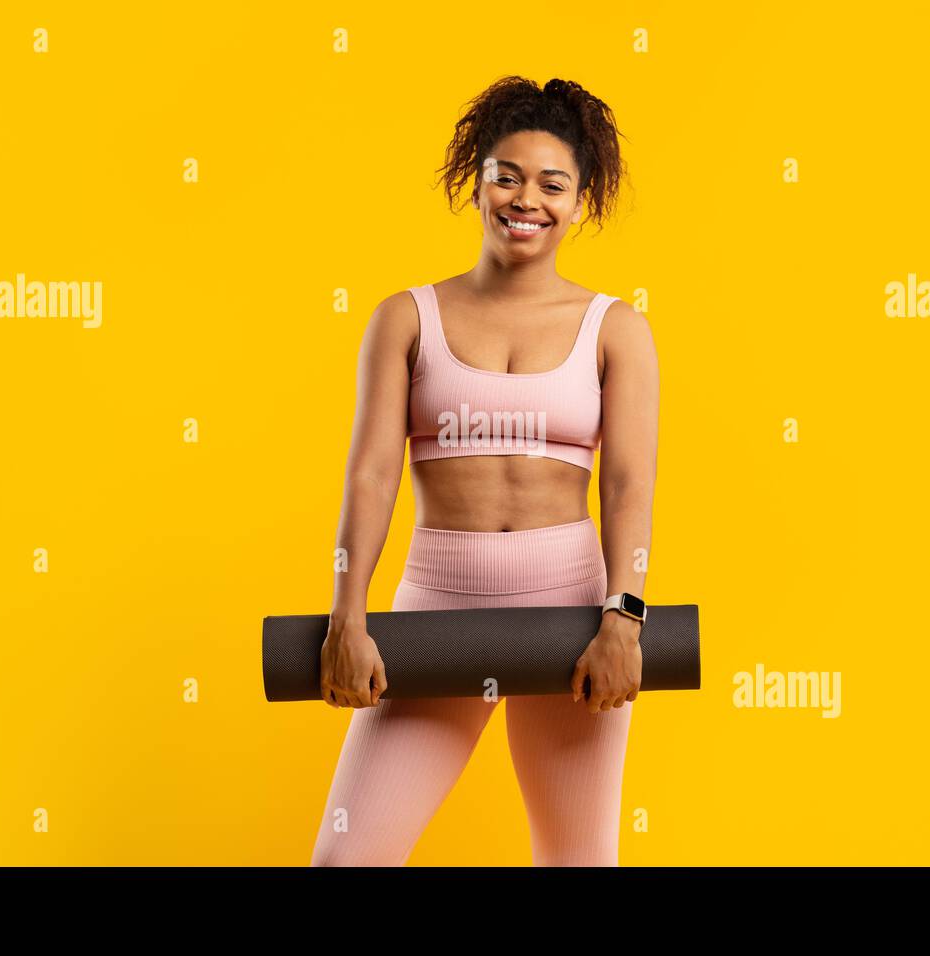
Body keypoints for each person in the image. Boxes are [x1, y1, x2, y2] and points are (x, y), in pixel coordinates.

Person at [311, 76, 659, 867]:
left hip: (573, 614)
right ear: (477, 182)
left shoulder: (617, 329)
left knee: (579, 863)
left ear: (580, 202)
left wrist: (623, 619)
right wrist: (347, 617)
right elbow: (370, 476)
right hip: (436, 602)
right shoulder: (405, 317)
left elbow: (629, 484)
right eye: (506, 175)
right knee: (345, 859)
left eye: (551, 183)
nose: (524, 198)